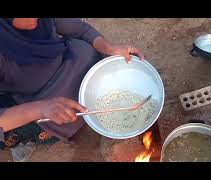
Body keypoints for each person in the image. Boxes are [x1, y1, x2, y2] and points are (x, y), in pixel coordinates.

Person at [0, 18, 144, 149]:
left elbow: (81, 29)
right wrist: (40, 109)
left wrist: (108, 47)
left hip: (82, 67)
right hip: (45, 99)